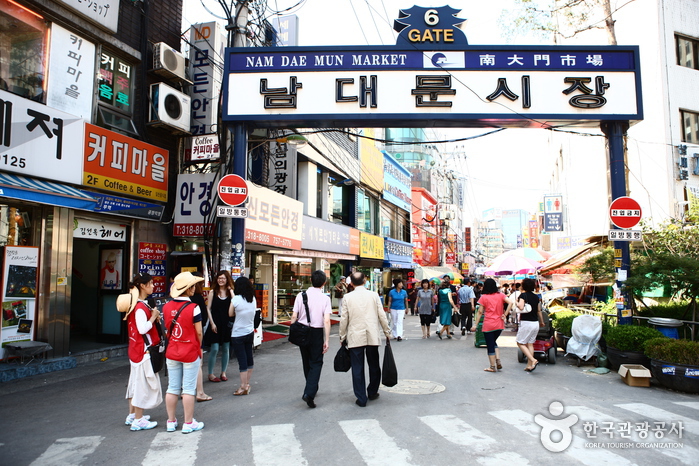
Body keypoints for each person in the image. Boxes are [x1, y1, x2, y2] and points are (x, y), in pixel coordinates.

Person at [339, 272, 391, 407]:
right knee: (374, 365)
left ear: (351, 283)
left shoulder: (347, 297)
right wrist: (387, 332)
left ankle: (361, 398)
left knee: (357, 367)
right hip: (372, 335)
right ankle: (372, 391)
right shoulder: (374, 296)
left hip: (355, 337)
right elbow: (381, 315)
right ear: (365, 280)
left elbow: (344, 319)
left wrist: (342, 336)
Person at [118, 273, 161, 431]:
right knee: (141, 386)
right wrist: (153, 317)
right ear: (142, 286)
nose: (152, 286)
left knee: (135, 383)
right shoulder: (140, 307)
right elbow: (143, 328)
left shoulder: (135, 305)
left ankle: (132, 415)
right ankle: (138, 419)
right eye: (150, 283)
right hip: (143, 350)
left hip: (135, 348)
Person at [163, 272, 205, 433]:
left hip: (172, 350)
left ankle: (171, 421)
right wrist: (198, 346)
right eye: (193, 286)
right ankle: (188, 423)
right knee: (188, 388)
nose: (194, 288)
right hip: (189, 351)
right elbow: (199, 332)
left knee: (172, 387)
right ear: (188, 289)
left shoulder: (166, 306)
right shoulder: (193, 308)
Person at [291, 270, 331, 408]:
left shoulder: (300, 295)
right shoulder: (325, 299)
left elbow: (293, 317)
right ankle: (309, 392)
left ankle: (311, 387)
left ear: (311, 281)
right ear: (324, 283)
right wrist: (327, 340)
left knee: (306, 361)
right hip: (316, 332)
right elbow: (326, 320)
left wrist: (293, 332)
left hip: (302, 331)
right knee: (316, 362)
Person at [471, 278, 509, 373]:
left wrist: (475, 325)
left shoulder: (484, 297)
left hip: (488, 325)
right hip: (499, 324)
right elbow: (511, 302)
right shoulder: (501, 295)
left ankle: (492, 367)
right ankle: (498, 360)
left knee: (490, 345)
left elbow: (480, 312)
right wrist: (505, 314)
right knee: (493, 342)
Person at [204, 271, 234, 384]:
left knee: (226, 348)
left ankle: (223, 372)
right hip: (215, 323)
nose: (221, 280)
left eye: (223, 278)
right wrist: (212, 323)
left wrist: (231, 290)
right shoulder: (212, 292)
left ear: (227, 280)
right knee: (215, 348)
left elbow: (235, 303)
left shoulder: (231, 293)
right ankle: (210, 373)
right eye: (219, 278)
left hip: (226, 324)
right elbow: (208, 308)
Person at [230, 276, 257, 396]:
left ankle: (242, 386)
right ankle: (247, 383)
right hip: (249, 331)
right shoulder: (253, 299)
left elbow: (230, 313)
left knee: (242, 360)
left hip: (238, 333)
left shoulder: (235, 299)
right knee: (249, 358)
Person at [516, 278, 545, 372]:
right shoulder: (536, 297)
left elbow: (520, 307)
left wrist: (516, 302)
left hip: (526, 322)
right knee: (530, 343)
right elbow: (539, 310)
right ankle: (529, 365)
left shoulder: (523, 295)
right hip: (535, 323)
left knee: (520, 342)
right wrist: (542, 321)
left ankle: (533, 360)